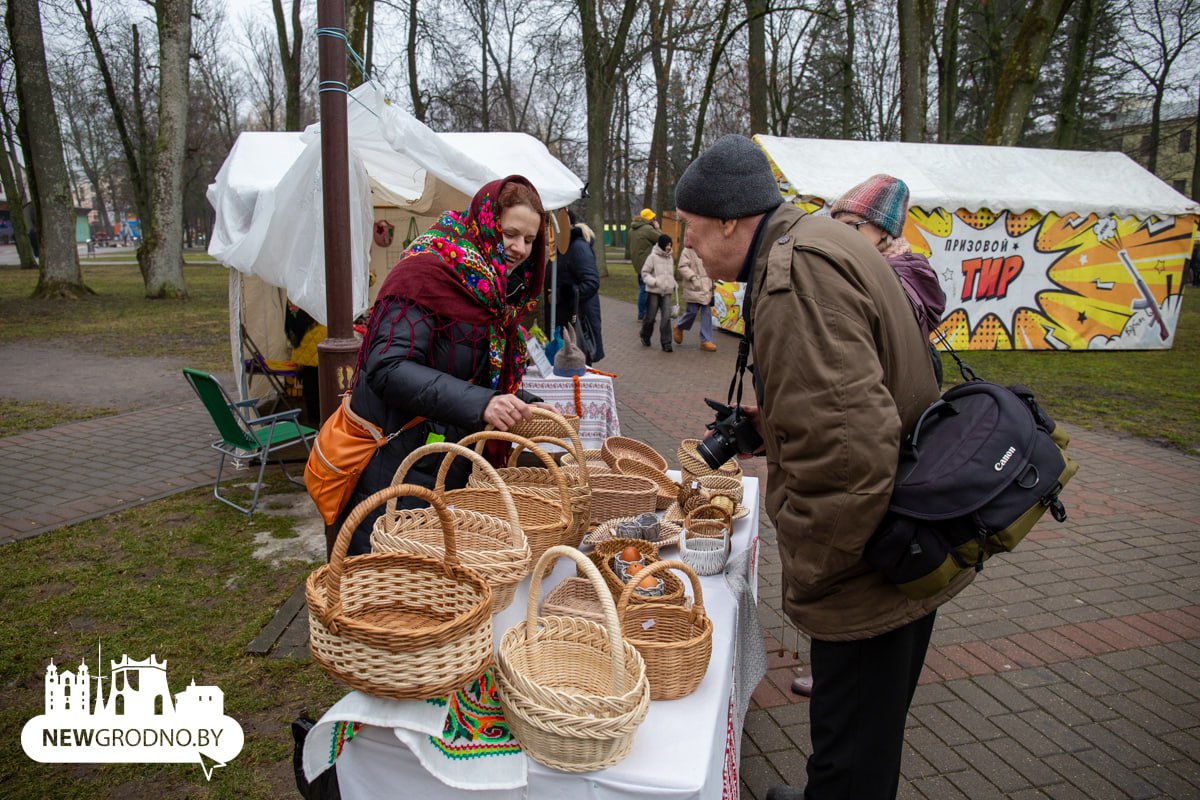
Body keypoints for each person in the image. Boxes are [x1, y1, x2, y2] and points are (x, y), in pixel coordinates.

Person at [674, 135, 974, 800]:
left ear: (729, 220)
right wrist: (770, 425)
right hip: (900, 525)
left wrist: (821, 576)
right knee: (862, 732)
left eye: (691, 230)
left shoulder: (792, 275)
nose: (688, 246)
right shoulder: (817, 240)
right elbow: (855, 395)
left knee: (852, 747)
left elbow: (848, 452)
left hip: (871, 555)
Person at [336, 175, 549, 556]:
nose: (519, 248)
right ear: (486, 223)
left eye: (529, 240)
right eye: (510, 234)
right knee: (386, 585)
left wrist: (522, 400)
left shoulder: (490, 291)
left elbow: (474, 370)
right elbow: (387, 366)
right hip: (390, 465)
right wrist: (482, 404)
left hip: (438, 463)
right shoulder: (426, 273)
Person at [830, 174, 947, 385]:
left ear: (883, 229)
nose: (841, 234)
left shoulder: (899, 276)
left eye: (851, 225)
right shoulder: (878, 268)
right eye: (837, 226)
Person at [554, 209, 604, 363]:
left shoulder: (578, 247)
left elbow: (591, 283)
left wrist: (561, 294)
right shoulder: (562, 247)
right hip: (567, 318)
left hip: (580, 321)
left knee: (579, 364)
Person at [672, 246, 717, 352]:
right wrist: (693, 277)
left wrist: (713, 281)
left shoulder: (708, 248)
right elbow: (682, 266)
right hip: (693, 286)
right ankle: (679, 326)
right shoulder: (688, 250)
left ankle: (706, 340)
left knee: (706, 312)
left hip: (706, 287)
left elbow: (712, 266)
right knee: (692, 311)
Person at [639, 233, 677, 352]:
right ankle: (645, 335)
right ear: (661, 245)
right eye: (667, 244)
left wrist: (673, 283)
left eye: (670, 245)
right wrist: (654, 282)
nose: (669, 247)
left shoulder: (670, 258)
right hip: (653, 292)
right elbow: (645, 273)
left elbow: (669, 274)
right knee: (650, 317)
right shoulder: (652, 257)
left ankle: (666, 343)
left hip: (667, 292)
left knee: (666, 318)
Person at [629, 208, 660, 322]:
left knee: (643, 289)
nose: (654, 219)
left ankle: (644, 314)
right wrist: (657, 228)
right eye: (652, 218)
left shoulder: (632, 229)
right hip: (647, 263)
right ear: (647, 219)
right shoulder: (647, 229)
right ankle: (644, 315)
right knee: (645, 289)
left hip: (637, 263)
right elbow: (662, 240)